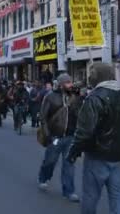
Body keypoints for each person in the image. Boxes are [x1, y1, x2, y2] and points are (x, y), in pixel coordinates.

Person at [67, 62, 120, 214]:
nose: (88, 78)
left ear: (96, 77)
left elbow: (84, 131)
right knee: (118, 196)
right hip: (118, 155)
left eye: (91, 75)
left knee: (91, 196)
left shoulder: (95, 98)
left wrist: (73, 152)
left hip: (97, 155)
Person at [37, 73, 81, 202]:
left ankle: (69, 191)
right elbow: (43, 118)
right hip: (55, 136)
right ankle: (43, 178)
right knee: (50, 161)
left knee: (69, 165)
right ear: (61, 85)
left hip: (71, 136)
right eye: (67, 83)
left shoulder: (74, 97)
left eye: (70, 82)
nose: (70, 84)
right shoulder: (50, 97)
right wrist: (48, 135)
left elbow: (79, 114)